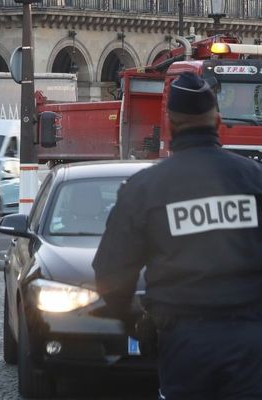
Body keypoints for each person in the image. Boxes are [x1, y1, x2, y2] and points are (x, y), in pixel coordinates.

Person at [92, 72, 262, 400]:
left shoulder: (145, 190)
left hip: (184, 345)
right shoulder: (254, 180)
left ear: (170, 123)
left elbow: (110, 274)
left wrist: (136, 323)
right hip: (251, 343)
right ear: (218, 120)